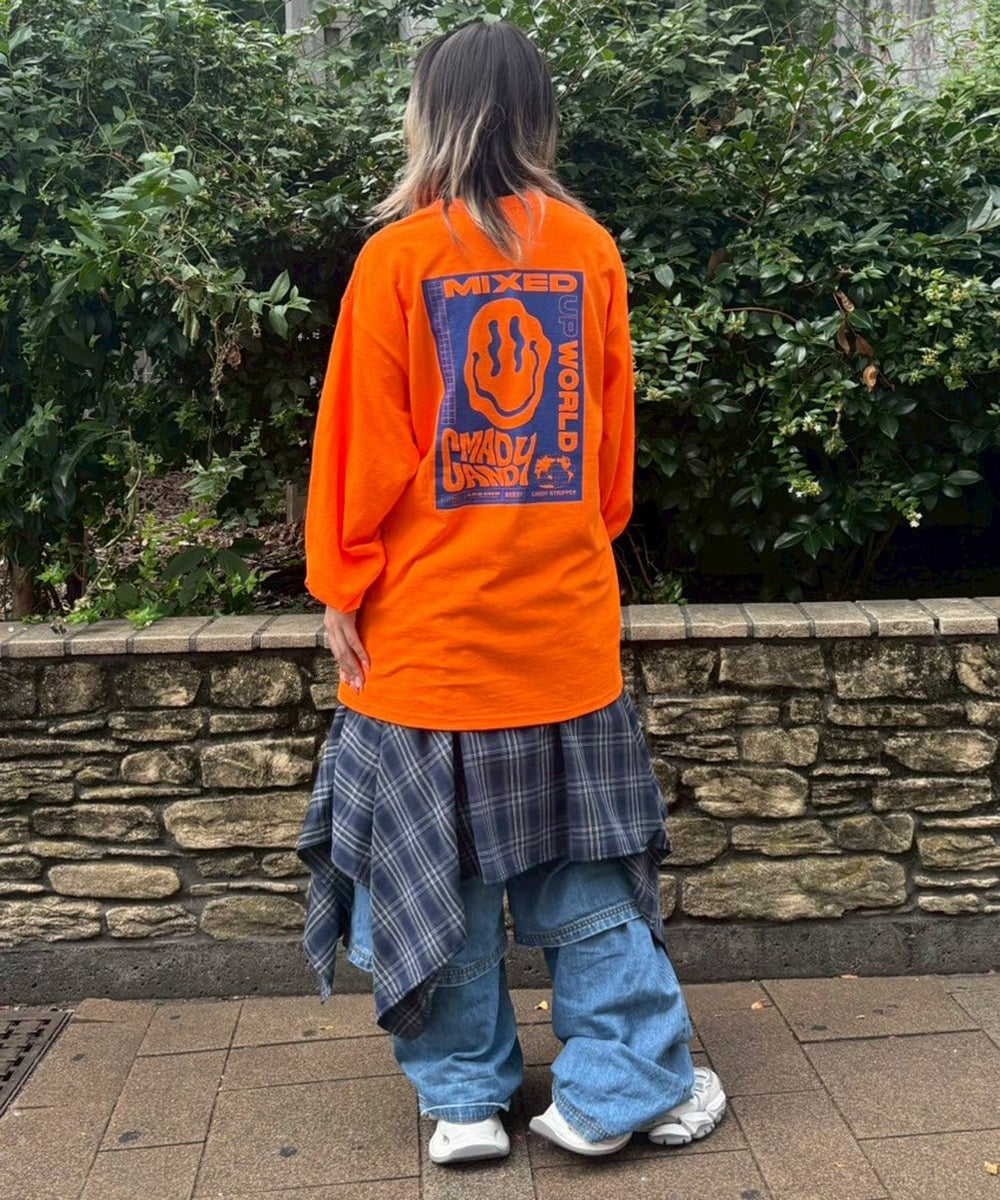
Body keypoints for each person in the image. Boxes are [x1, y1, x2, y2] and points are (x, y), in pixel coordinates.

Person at [296, 19, 726, 1166]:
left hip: (423, 646)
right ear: (538, 117)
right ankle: (614, 1091)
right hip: (559, 636)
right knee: (586, 880)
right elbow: (609, 466)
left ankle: (464, 1104)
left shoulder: (397, 259)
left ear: (426, 114)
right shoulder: (587, 249)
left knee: (435, 882)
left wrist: (339, 584)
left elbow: (357, 450)